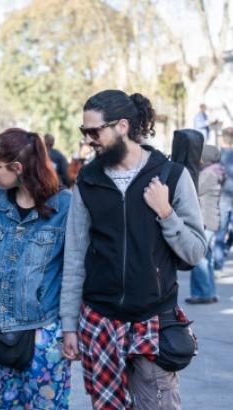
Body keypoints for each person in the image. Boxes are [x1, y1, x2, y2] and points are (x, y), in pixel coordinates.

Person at [61, 90, 206, 409]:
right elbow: (74, 257)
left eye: (94, 131)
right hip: (99, 321)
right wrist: (69, 325)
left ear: (122, 126)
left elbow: (195, 251)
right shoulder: (87, 180)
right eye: (83, 132)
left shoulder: (171, 176)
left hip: (151, 320)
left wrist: (166, 214)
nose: (88, 140)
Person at [0, 128, 72, 409]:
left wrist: (72, 330)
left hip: (45, 333)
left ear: (18, 168)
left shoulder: (65, 206)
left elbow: (74, 274)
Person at [188, 145, 223, 304]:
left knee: (198, 258)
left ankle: (203, 294)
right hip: (210, 221)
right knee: (205, 259)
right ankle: (207, 292)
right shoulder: (215, 171)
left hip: (206, 221)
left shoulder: (209, 173)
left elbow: (195, 189)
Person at [214, 127, 233, 270]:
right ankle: (224, 250)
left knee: (220, 233)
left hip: (222, 198)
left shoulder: (216, 156)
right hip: (226, 198)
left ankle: (218, 265)